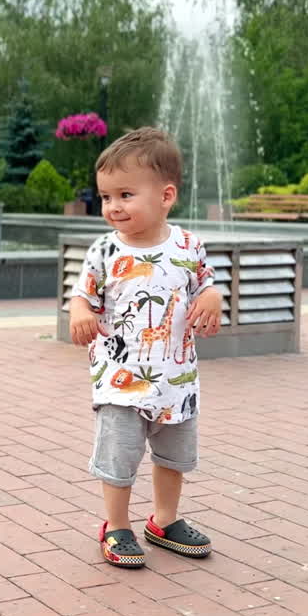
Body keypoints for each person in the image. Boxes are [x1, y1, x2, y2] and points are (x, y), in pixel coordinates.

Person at [68, 127, 223, 569]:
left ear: (166, 196)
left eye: (125, 195)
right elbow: (84, 295)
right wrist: (80, 312)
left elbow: (207, 284)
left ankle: (164, 521)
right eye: (106, 197)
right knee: (119, 457)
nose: (113, 207)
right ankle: (116, 525)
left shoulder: (189, 247)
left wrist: (211, 298)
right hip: (121, 380)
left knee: (173, 457)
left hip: (176, 381)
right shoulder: (104, 250)